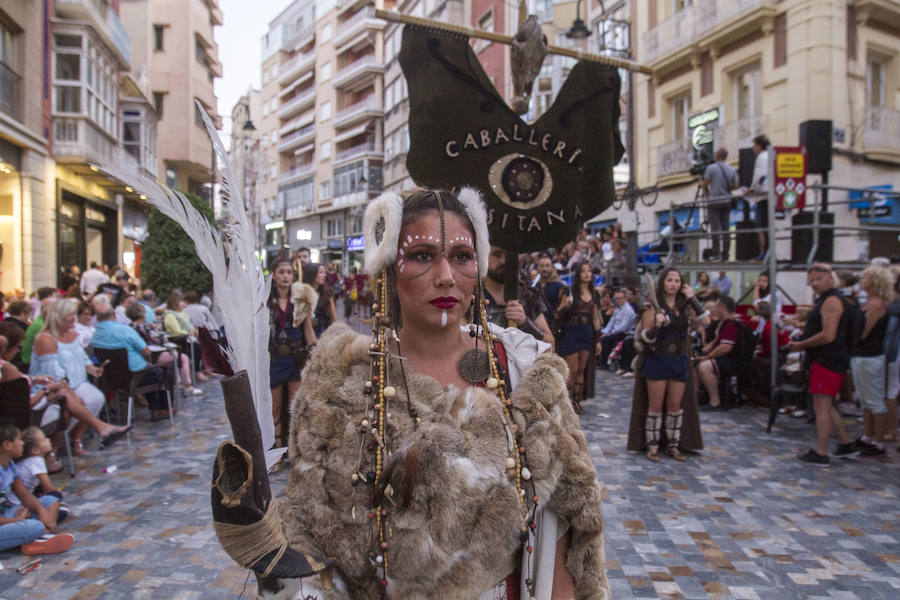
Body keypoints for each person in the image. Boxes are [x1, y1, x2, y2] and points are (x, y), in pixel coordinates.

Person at [261, 188, 607, 599]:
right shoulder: (340, 381)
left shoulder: (520, 366)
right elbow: (310, 529)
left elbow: (566, 522)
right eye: (422, 255)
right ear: (388, 269)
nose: (445, 275)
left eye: (461, 256)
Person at [0, 322, 126, 460]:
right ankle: (94, 430)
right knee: (63, 397)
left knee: (67, 395)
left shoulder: (7, 368)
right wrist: (45, 390)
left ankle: (56, 450)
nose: (19, 350)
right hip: (24, 413)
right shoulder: (7, 369)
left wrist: (35, 379)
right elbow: (24, 403)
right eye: (18, 347)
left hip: (21, 406)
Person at [627, 268, 710, 461]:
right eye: (670, 280)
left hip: (679, 359)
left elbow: (705, 320)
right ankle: (653, 446)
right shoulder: (651, 307)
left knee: (674, 405)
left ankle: (673, 445)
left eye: (677, 280)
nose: (674, 284)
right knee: (655, 405)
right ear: (663, 282)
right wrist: (657, 325)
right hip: (658, 359)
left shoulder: (684, 305)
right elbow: (645, 337)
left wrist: (692, 299)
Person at [29, 299, 130, 454]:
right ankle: (55, 448)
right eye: (70, 316)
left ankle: (76, 438)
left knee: (96, 398)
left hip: (77, 380)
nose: (74, 319)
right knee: (78, 402)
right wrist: (70, 392)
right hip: (55, 386)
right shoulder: (45, 339)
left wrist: (91, 368)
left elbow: (81, 355)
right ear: (58, 317)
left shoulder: (71, 333)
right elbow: (53, 374)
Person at [791, 263, 858, 466]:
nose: (815, 284)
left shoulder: (831, 301)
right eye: (812, 280)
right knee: (828, 405)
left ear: (831, 278)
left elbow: (828, 335)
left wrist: (801, 344)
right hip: (828, 359)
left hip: (826, 359)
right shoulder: (830, 300)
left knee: (821, 406)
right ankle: (846, 442)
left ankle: (821, 452)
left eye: (819, 279)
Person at [91, 295, 175, 421]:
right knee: (164, 373)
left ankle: (156, 409)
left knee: (150, 371)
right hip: (134, 377)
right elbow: (146, 351)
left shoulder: (96, 334)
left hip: (110, 378)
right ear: (114, 314)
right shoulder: (124, 330)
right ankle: (162, 408)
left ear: (97, 318)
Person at [0, 422, 74, 555]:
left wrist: (42, 512)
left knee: (50, 501)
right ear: (7, 445)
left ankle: (38, 538)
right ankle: (39, 536)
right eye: (18, 440)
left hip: (5, 517)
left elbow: (24, 495)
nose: (22, 444)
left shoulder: (10, 465)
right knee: (35, 526)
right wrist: (15, 521)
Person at [268, 258, 316, 447]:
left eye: (289, 272)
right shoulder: (265, 301)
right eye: (281, 272)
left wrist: (315, 353)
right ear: (273, 275)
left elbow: (308, 330)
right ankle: (276, 448)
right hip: (274, 358)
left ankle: (295, 449)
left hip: (296, 357)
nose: (286, 276)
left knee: (294, 407)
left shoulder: (300, 300)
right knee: (275, 408)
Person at [851, 266, 892, 459]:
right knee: (866, 401)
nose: (862, 279)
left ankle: (879, 442)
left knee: (875, 401)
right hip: (862, 355)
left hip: (870, 356)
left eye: (866, 277)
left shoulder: (876, 304)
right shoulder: (868, 302)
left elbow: (864, 332)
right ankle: (867, 436)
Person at [481, 246, 554, 346]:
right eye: (497, 255)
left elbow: (550, 344)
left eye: (508, 255)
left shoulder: (528, 295)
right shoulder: (472, 296)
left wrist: (525, 322)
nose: (503, 261)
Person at [126, 303, 202, 396]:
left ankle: (179, 382)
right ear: (142, 314)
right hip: (153, 355)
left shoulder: (129, 327)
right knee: (182, 357)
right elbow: (159, 340)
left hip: (142, 357)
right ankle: (187, 384)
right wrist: (159, 333)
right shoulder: (146, 327)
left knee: (174, 355)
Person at [695, 296, 741, 410]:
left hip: (734, 360)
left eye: (716, 306)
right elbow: (715, 343)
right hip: (725, 358)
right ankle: (695, 396)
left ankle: (715, 401)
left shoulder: (732, 324)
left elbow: (725, 348)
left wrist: (707, 358)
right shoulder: (723, 324)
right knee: (694, 361)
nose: (714, 309)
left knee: (705, 366)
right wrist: (701, 354)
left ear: (723, 308)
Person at [701, 148, 739, 261]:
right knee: (726, 228)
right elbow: (736, 185)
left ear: (717, 155)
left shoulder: (711, 168)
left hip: (714, 201)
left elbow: (705, 184)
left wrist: (701, 183)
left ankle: (716, 252)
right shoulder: (731, 169)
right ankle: (726, 253)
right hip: (727, 201)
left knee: (715, 228)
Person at [163, 291, 208, 382]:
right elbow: (176, 331)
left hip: (187, 337)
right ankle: (197, 371)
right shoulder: (170, 315)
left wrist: (194, 330)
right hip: (179, 339)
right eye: (182, 301)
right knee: (197, 348)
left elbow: (190, 325)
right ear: (176, 302)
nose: (184, 304)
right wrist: (189, 333)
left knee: (203, 345)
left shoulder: (182, 313)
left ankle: (204, 368)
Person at [12, 427, 59, 501]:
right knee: (56, 497)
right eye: (44, 440)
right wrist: (57, 494)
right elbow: (48, 487)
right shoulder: (37, 461)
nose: (48, 440)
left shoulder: (31, 460)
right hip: (19, 502)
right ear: (35, 450)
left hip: (20, 497)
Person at [598, 289, 636, 368]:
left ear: (625, 299)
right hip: (614, 332)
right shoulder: (618, 308)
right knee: (598, 335)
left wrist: (609, 334)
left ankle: (603, 363)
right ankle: (597, 359)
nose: (617, 300)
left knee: (606, 340)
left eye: (620, 298)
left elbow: (623, 327)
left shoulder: (628, 310)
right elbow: (611, 323)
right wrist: (604, 332)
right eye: (616, 298)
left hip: (624, 333)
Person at [748, 134, 770, 259]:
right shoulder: (772, 156)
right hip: (770, 195)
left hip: (762, 195)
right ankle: (767, 252)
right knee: (767, 225)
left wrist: (752, 189)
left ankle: (764, 252)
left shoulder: (761, 157)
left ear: (759, 146)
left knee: (762, 226)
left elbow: (759, 176)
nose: (753, 149)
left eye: (754, 145)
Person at [302, 263, 336, 338]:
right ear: (312, 274)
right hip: (306, 334)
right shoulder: (302, 293)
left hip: (325, 333)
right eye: (321, 272)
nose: (324, 275)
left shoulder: (326, 293)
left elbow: (334, 317)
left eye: (324, 272)